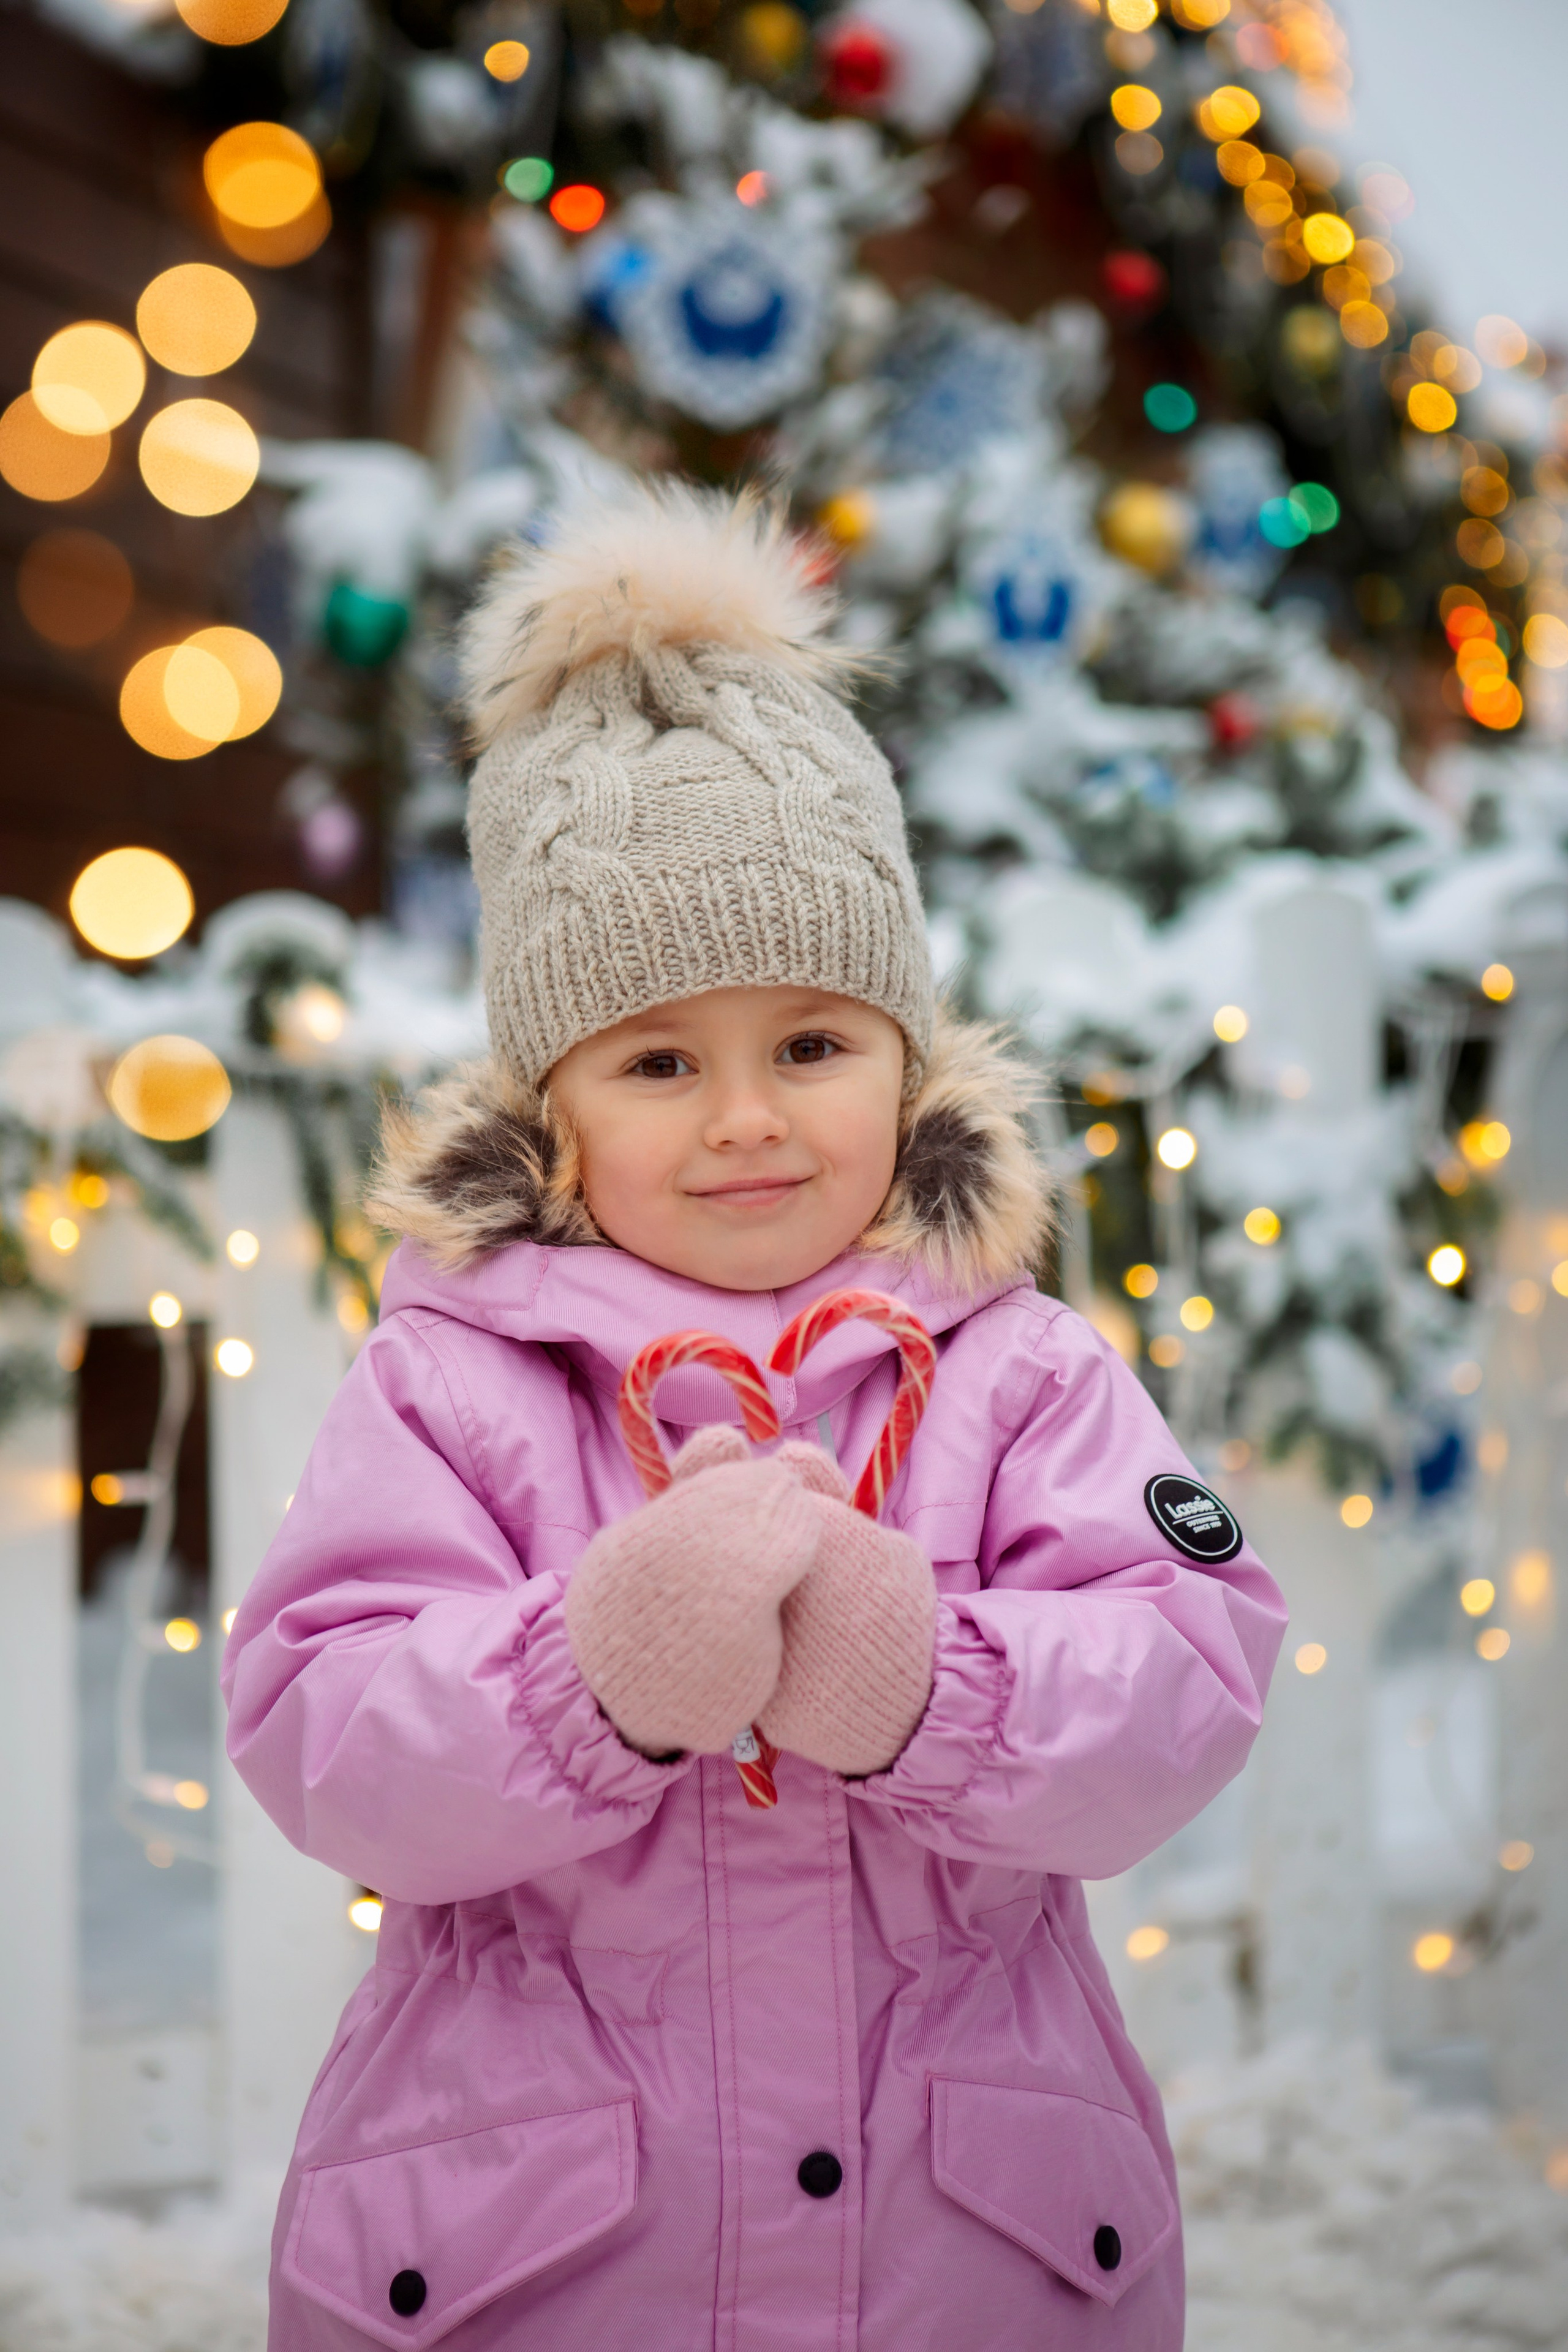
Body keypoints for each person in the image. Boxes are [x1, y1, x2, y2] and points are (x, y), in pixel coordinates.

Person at [223, 483, 1286, 2352]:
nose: (746, 1119)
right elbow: (324, 1726)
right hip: (543, 2253)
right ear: (553, 1104)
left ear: (906, 1052)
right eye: (656, 1062)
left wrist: (927, 1682)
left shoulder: (1021, 1370)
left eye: (811, 1042)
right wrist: (589, 1673)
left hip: (968, 2256)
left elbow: (1185, 1677)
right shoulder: (456, 1382)